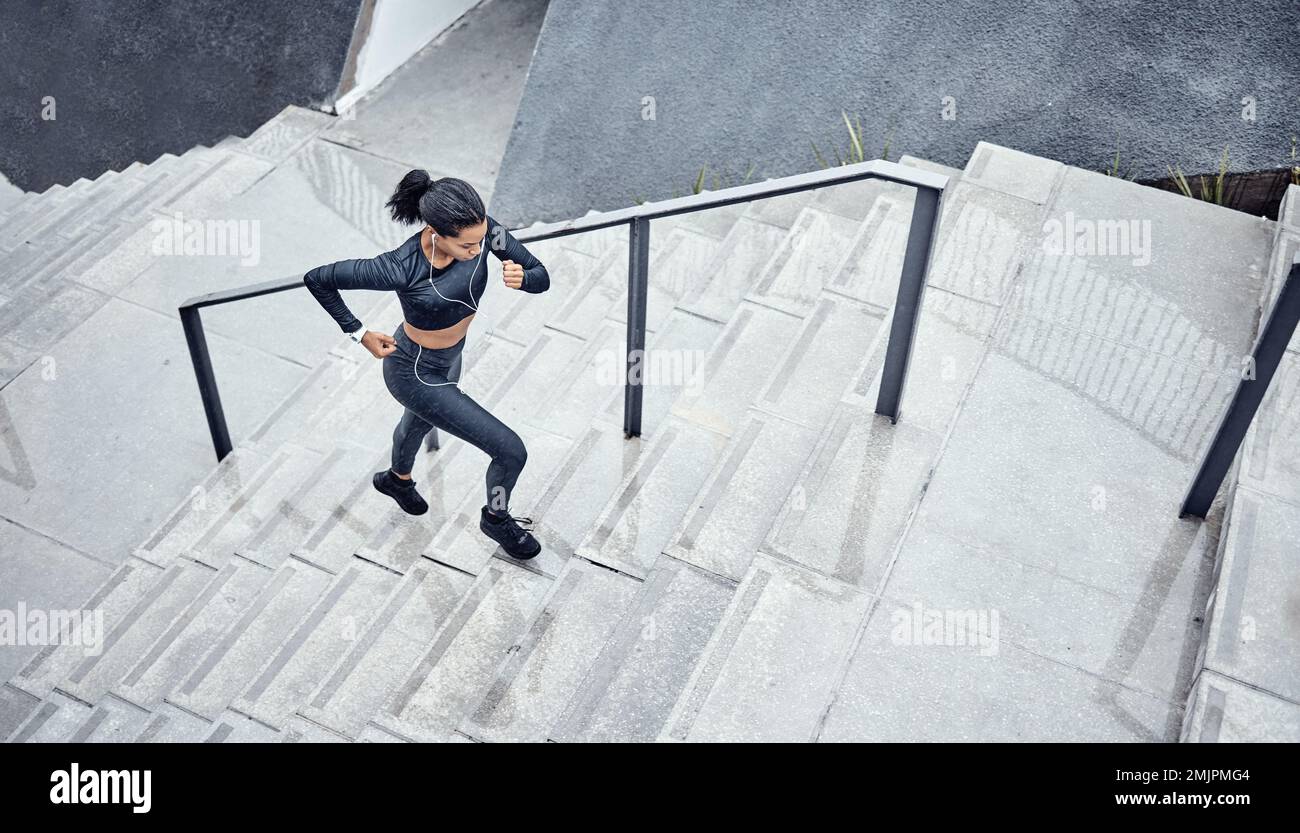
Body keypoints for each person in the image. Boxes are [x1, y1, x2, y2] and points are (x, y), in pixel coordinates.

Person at [303, 171, 550, 559]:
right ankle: (495, 519)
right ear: (437, 233)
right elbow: (318, 279)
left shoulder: (485, 232)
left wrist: (525, 279)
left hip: (450, 359)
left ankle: (396, 480)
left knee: (415, 423)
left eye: (481, 239)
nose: (478, 248)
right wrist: (360, 332)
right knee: (510, 451)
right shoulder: (400, 267)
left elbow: (540, 275)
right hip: (413, 371)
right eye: (466, 245)